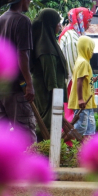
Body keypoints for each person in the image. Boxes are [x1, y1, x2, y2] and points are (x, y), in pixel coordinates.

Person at [0, 0, 37, 142]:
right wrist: (29, 84)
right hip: (16, 87)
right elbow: (22, 54)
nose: (30, 1)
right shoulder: (22, 21)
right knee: (25, 134)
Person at [30, 8, 68, 136]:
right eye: (57, 22)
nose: (59, 26)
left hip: (50, 92)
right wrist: (56, 96)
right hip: (48, 93)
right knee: (47, 124)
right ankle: (45, 152)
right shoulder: (46, 47)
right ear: (50, 24)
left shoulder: (48, 43)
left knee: (49, 122)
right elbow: (50, 75)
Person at [59, 7, 94, 120]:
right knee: (76, 118)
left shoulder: (73, 34)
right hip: (73, 83)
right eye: (88, 21)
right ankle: (72, 137)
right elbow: (75, 68)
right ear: (81, 19)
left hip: (73, 81)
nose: (89, 25)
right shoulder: (72, 37)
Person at [68, 36, 97, 137]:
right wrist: (80, 99)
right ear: (86, 48)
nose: (92, 52)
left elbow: (84, 79)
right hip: (83, 103)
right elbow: (79, 81)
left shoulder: (81, 61)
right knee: (81, 127)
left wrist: (92, 80)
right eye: (91, 49)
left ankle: (87, 148)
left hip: (87, 103)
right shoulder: (83, 62)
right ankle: (65, 142)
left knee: (90, 127)